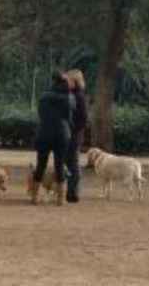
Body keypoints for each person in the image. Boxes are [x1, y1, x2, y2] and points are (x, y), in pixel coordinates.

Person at [29, 71, 75, 206]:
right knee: (59, 165)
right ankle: (61, 199)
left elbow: (40, 114)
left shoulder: (44, 96)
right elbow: (69, 117)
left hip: (44, 132)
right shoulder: (69, 97)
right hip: (62, 133)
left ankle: (35, 197)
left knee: (40, 164)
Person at [65, 69, 88, 203]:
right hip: (69, 134)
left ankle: (73, 193)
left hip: (74, 136)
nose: (66, 82)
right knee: (68, 163)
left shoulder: (79, 96)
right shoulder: (70, 94)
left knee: (73, 163)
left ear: (74, 81)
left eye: (68, 80)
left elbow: (84, 118)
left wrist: (73, 129)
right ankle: (67, 191)